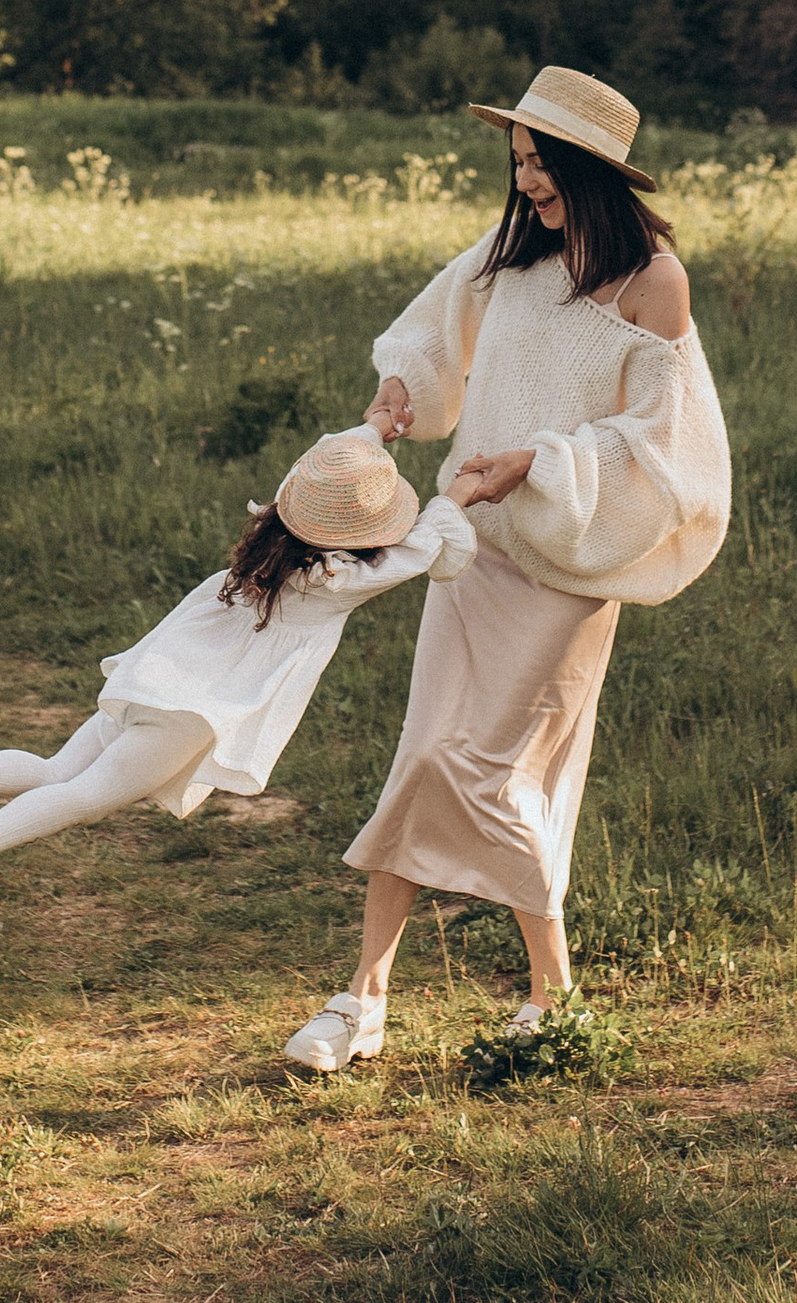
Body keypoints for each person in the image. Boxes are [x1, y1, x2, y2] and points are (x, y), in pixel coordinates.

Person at [282, 65, 730, 1077]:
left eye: (542, 162)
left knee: (492, 769)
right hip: (476, 550)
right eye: (519, 160)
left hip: (570, 562)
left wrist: (539, 461)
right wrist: (400, 393)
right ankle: (363, 998)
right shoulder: (509, 256)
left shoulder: (652, 283)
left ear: (593, 169)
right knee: (427, 751)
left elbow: (665, 442)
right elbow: (433, 336)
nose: (525, 180)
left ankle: (550, 996)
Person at [0, 427, 477, 935]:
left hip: (156, 675)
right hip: (196, 709)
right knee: (88, 796)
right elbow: (434, 550)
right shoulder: (341, 580)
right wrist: (458, 497)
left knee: (60, 770)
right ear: (362, 531)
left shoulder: (271, 531)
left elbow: (315, 463)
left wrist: (370, 430)